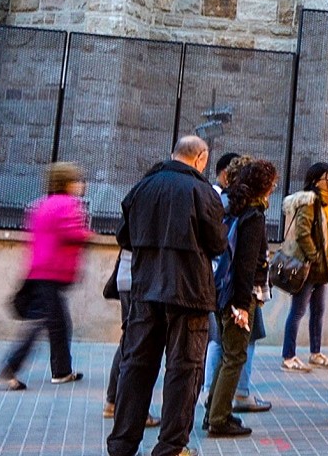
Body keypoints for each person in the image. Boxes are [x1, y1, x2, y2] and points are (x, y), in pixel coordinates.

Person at [107, 136, 229, 456]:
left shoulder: (142, 187)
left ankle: (122, 445)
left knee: (137, 366)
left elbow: (124, 236)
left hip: (145, 289)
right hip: (189, 292)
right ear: (201, 158)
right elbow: (217, 243)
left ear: (174, 154)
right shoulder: (202, 192)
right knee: (184, 370)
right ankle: (171, 447)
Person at [0, 161, 91, 390]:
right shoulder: (68, 204)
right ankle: (9, 369)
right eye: (77, 180)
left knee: (58, 324)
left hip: (39, 270)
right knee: (39, 324)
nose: (81, 185)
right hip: (52, 271)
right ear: (67, 183)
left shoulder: (42, 204)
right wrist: (88, 235)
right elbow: (71, 233)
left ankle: (62, 371)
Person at [204, 158, 278, 438]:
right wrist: (242, 306)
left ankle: (214, 411)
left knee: (227, 354)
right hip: (238, 295)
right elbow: (246, 264)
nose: (274, 188)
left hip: (222, 289)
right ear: (264, 186)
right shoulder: (253, 215)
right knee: (235, 356)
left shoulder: (233, 207)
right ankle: (219, 418)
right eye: (272, 183)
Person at [281, 162, 328, 372]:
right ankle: (289, 356)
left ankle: (315, 353)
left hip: (324, 266)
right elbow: (303, 233)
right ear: (316, 181)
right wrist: (314, 256)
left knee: (318, 310)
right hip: (309, 265)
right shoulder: (309, 202)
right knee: (298, 311)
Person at [103, 248, 159, 426]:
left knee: (129, 342)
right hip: (140, 278)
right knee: (140, 348)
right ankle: (135, 412)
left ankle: (113, 400)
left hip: (128, 276)